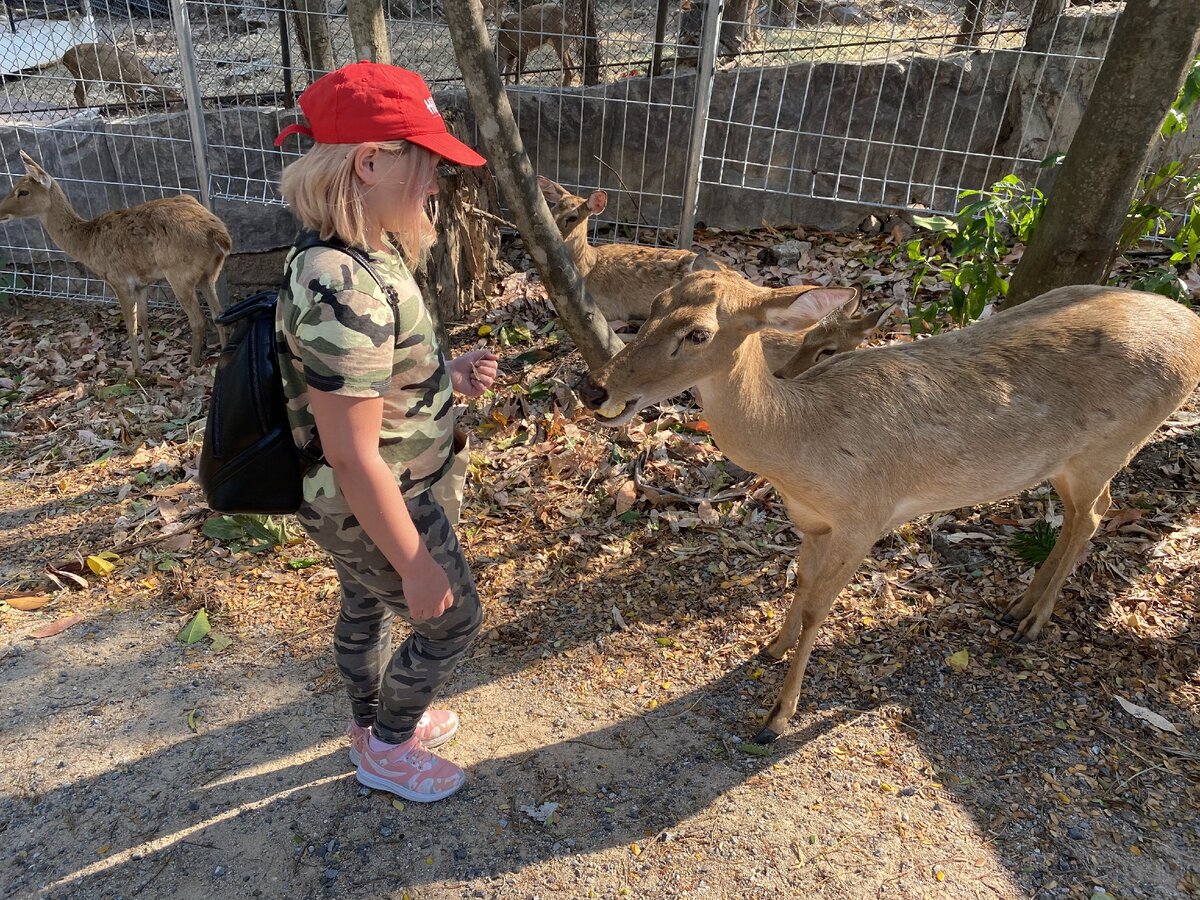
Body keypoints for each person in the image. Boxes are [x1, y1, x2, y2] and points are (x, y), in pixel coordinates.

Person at [274, 61, 498, 803]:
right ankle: (388, 749)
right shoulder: (340, 285)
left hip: (370, 495)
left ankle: (371, 726)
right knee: (451, 619)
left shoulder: (367, 251)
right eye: (428, 165)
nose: (437, 183)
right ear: (371, 163)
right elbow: (349, 450)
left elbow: (375, 380)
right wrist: (415, 562)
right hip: (380, 500)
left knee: (363, 606)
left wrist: (444, 376)